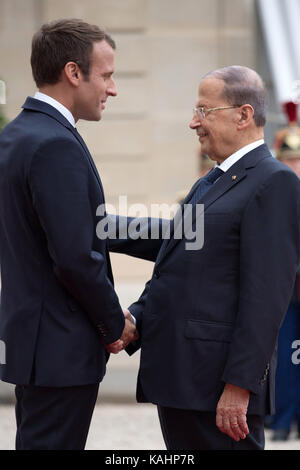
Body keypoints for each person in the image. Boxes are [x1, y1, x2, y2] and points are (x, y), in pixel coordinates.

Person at [111, 66, 300, 450]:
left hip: (217, 387)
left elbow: (265, 298)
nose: (193, 122)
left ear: (243, 115)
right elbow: (178, 257)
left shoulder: (273, 182)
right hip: (184, 380)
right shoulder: (212, 180)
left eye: (203, 111)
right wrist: (139, 315)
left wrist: (240, 385)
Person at [0, 19, 137, 450]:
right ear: (74, 73)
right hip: (60, 349)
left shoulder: (18, 134)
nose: (112, 89)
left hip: (36, 345)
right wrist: (115, 323)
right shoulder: (54, 143)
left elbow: (71, 228)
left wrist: (179, 232)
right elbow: (76, 256)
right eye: (108, 75)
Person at [269, 102, 300, 441]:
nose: (295, 166)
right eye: (290, 160)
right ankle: (281, 419)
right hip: (285, 288)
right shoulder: (276, 191)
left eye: (298, 160)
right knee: (286, 355)